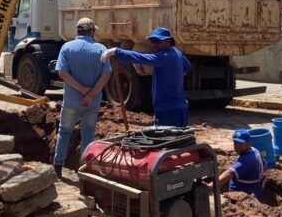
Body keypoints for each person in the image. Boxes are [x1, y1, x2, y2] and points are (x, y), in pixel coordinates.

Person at [102, 27, 191, 127]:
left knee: (166, 140)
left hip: (167, 110)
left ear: (167, 41)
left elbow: (141, 58)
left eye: (157, 41)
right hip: (180, 107)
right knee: (180, 140)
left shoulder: (164, 56)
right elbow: (187, 66)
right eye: (153, 41)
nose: (154, 44)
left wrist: (117, 51)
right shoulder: (177, 53)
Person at [54, 18, 111, 173]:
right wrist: (90, 95)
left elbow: (62, 73)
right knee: (88, 134)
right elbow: (106, 75)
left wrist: (82, 90)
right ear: (92, 31)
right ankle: (85, 169)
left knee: (64, 132)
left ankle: (58, 166)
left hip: (72, 102)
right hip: (92, 103)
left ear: (77, 31)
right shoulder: (101, 49)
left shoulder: (67, 47)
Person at [218, 128, 264, 197]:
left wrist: (210, 186)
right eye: (235, 143)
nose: (236, 146)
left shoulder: (246, 160)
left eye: (240, 144)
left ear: (248, 143)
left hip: (242, 197)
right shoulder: (255, 150)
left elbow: (228, 174)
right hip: (255, 189)